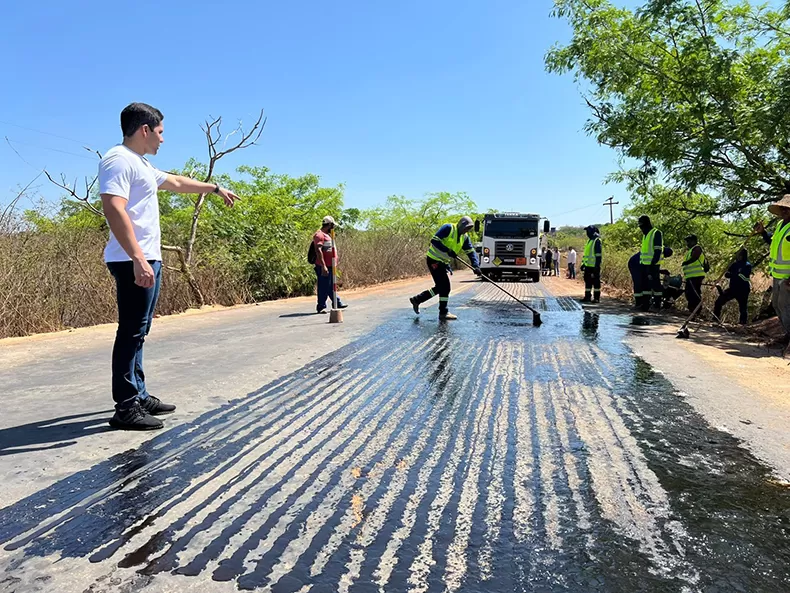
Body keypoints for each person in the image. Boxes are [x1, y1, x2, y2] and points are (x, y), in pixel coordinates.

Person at [99, 103, 239, 430]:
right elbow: (113, 208)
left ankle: (139, 393)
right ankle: (125, 407)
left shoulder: (141, 164)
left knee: (141, 330)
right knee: (131, 331)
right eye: (160, 133)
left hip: (148, 257)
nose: (163, 140)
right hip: (132, 258)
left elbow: (175, 183)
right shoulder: (118, 160)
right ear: (145, 130)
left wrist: (214, 189)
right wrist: (136, 258)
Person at [410, 216, 480, 320]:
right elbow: (434, 240)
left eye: (469, 229)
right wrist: (447, 250)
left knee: (441, 287)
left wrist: (476, 265)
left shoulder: (464, 237)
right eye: (466, 228)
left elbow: (470, 251)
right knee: (445, 287)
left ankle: (418, 300)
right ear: (461, 225)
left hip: (443, 263)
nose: (467, 230)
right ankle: (442, 312)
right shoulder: (448, 228)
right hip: (434, 260)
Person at [754, 194, 790, 344]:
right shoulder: (780, 226)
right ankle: (787, 334)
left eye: (787, 209)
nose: (783, 211)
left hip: (787, 277)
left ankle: (789, 336)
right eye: (782, 208)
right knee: (776, 304)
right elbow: (772, 242)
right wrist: (762, 232)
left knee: (785, 305)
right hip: (777, 275)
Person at [313, 216, 347, 314]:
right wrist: (323, 266)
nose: (334, 227)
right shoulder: (319, 235)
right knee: (323, 286)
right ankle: (321, 307)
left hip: (331, 265)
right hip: (323, 266)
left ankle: (337, 302)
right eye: (333, 225)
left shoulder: (328, 235)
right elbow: (318, 250)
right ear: (329, 225)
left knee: (331, 285)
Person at [713, 248, 752, 324]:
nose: (737, 256)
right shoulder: (734, 264)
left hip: (743, 289)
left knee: (743, 307)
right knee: (719, 302)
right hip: (733, 288)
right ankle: (715, 319)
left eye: (738, 254)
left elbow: (744, 277)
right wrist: (729, 273)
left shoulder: (747, 265)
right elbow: (727, 273)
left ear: (742, 256)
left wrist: (734, 275)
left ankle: (742, 323)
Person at [637, 215, 664, 311]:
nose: (640, 228)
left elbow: (657, 251)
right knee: (645, 286)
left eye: (642, 225)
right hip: (644, 264)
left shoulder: (656, 233)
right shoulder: (645, 235)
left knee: (655, 285)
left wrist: (652, 265)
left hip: (653, 265)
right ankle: (645, 305)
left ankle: (657, 305)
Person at [681, 234, 707, 313]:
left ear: (694, 241)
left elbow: (695, 258)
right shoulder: (690, 250)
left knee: (694, 294)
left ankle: (696, 311)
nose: (687, 243)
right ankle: (691, 309)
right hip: (690, 276)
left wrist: (686, 262)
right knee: (689, 293)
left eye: (689, 241)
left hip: (696, 276)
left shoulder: (697, 248)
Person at [581, 225, 602, 303]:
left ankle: (596, 298)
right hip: (587, 266)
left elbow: (598, 256)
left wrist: (597, 266)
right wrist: (583, 264)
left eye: (588, 231)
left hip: (594, 267)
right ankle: (587, 297)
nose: (587, 233)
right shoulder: (589, 241)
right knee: (588, 282)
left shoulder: (597, 241)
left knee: (596, 283)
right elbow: (586, 255)